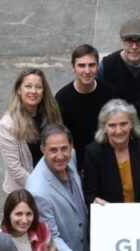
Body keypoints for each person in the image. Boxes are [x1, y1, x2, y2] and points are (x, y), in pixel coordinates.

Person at [83, 99, 140, 205]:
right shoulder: (93, 153)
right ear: (104, 127)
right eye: (112, 125)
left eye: (123, 124)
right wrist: (95, 201)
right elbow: (90, 193)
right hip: (110, 212)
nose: (118, 131)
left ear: (132, 124)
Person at [0, 68, 63, 193]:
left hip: (53, 180)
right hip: (25, 190)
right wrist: (44, 186)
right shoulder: (7, 125)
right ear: (19, 90)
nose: (33, 91)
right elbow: (15, 170)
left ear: (43, 91)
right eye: (28, 86)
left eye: (38, 87)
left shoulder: (51, 113)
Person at [55, 44, 116, 175]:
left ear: (97, 66)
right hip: (77, 166)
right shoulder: (62, 98)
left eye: (91, 65)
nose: (87, 71)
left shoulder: (109, 91)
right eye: (81, 65)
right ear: (73, 68)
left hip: (109, 159)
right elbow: (61, 137)